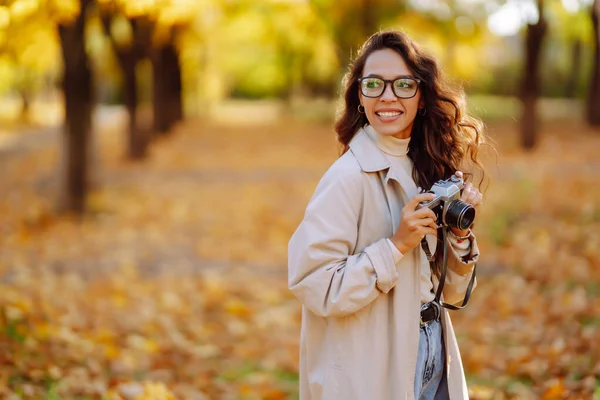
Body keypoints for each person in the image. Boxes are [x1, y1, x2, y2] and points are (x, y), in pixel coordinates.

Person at [288, 30, 488, 400]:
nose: (388, 96)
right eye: (374, 84)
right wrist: (395, 246)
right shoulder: (347, 178)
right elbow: (315, 285)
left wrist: (458, 238)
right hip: (371, 366)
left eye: (403, 85)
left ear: (423, 97)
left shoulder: (425, 168)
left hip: (432, 347)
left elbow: (452, 292)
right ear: (359, 97)